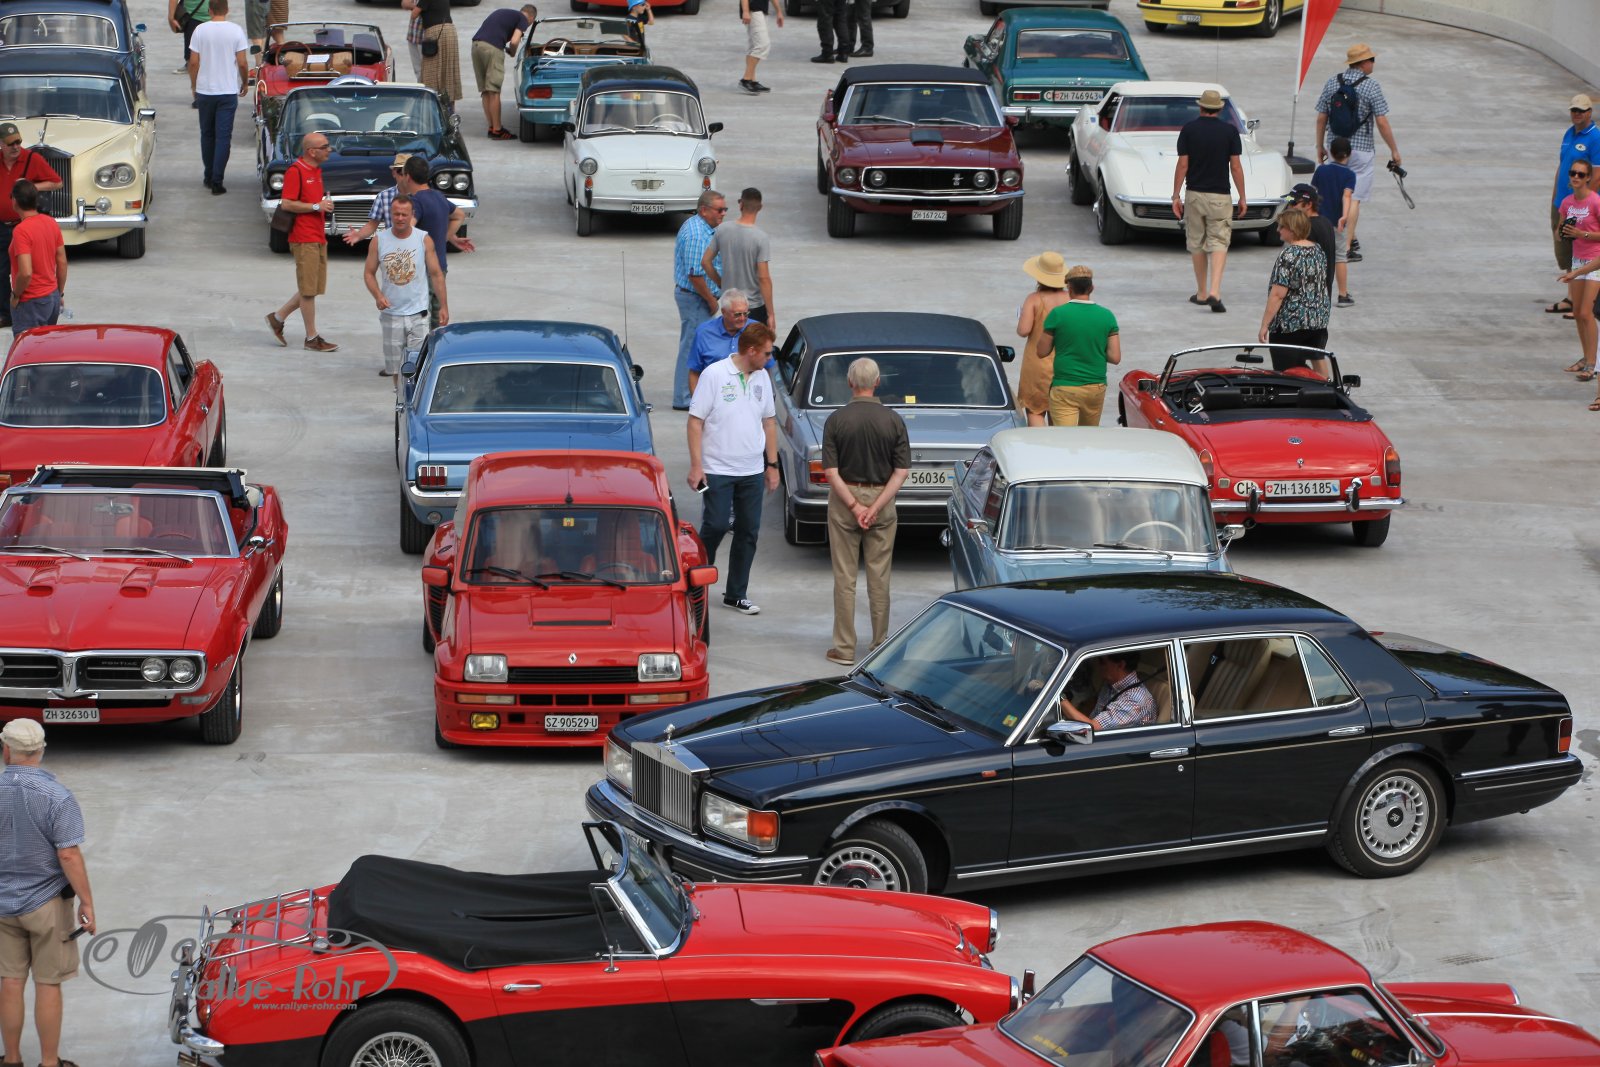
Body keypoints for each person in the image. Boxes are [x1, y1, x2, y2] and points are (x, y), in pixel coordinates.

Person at [0, 720, 96, 1067]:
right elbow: (68, 854)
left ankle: (11, 1059)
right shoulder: (57, 796)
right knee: (48, 983)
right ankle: (49, 1062)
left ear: (6, 750)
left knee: (10, 981)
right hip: (46, 904)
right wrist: (86, 902)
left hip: (2, 904)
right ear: (40, 751)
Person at [686, 323, 779, 616]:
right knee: (714, 526)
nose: (770, 358)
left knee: (748, 531)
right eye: (766, 353)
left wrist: (772, 465)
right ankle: (695, 585)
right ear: (751, 351)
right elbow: (695, 421)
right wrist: (697, 465)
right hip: (717, 468)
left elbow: (769, 422)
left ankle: (736, 593)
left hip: (751, 470)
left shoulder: (763, 377)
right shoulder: (714, 375)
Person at [822, 357, 908, 666]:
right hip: (882, 499)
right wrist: (875, 506)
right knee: (879, 576)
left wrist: (855, 505)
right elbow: (901, 471)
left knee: (845, 577)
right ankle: (880, 644)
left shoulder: (836, 420)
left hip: (845, 499)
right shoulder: (893, 420)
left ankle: (844, 648)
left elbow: (831, 472)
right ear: (877, 382)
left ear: (850, 383)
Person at [1314, 43, 1401, 261]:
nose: (1373, 63)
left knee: (1337, 194)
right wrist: (1394, 150)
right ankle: (1345, 247)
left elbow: (1321, 117)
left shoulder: (1332, 82)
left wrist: (1319, 146)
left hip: (1335, 147)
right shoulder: (1372, 87)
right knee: (1353, 197)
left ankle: (1344, 238)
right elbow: (1382, 122)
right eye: (1372, 60)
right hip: (1361, 150)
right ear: (1363, 63)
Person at [1172, 88, 1246, 313]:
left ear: (1201, 107)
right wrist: (1243, 196)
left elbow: (1183, 165)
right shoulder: (1230, 131)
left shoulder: (1188, 130)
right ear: (1219, 109)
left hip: (1194, 194)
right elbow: (1235, 166)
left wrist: (1175, 195)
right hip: (1220, 196)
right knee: (1219, 241)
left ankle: (1202, 292)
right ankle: (1215, 291)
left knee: (1196, 242)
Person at [265, 133, 339, 352]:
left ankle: (277, 318)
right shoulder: (296, 171)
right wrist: (316, 206)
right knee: (308, 291)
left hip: (317, 236)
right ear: (311, 151)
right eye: (325, 147)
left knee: (312, 288)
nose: (329, 150)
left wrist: (321, 205)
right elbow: (287, 203)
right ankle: (311, 338)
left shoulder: (316, 171)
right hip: (303, 237)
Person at [365, 195, 447, 378]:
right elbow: (369, 273)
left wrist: (443, 306)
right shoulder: (379, 240)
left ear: (412, 214)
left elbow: (436, 274)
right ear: (390, 214)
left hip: (419, 314)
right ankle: (399, 395)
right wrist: (378, 296)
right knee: (396, 370)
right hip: (391, 315)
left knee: (416, 368)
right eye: (396, 214)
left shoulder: (423, 239)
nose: (400, 218)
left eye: (404, 214)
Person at [1036, 264, 1120, 427]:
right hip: (1095, 387)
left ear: (1069, 288)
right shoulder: (1107, 316)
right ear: (1091, 288)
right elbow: (1115, 357)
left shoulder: (1057, 314)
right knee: (1088, 436)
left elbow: (1042, 351)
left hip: (1065, 387)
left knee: (1065, 437)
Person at [399, 154, 473, 330]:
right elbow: (459, 215)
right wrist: (446, 237)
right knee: (437, 320)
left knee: (420, 320)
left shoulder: (415, 201)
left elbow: (408, 229)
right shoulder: (438, 196)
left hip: (422, 271)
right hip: (440, 267)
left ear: (407, 177)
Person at [0, 124, 62, 327]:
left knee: (29, 269)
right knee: (1, 271)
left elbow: (57, 182)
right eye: (10, 144)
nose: (16, 146)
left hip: (24, 225)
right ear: (1, 145)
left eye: (18, 142)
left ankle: (23, 302)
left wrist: (29, 186)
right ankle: (6, 313)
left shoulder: (32, 159)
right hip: (2, 226)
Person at [1257, 207, 1330, 372]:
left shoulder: (1289, 255)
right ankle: (1326, 386)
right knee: (1317, 358)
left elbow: (1278, 295)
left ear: (1292, 229)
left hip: (1291, 323)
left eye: (1281, 226)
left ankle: (1306, 385)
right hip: (1318, 320)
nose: (1278, 230)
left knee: (1288, 370)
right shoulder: (1318, 250)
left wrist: (1264, 325)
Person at [189, 0, 249, 195]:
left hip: (205, 91)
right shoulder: (236, 31)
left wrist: (194, 85)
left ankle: (208, 175)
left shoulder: (200, 30)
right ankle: (217, 180)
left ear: (209, 10)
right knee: (223, 137)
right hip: (227, 92)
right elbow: (242, 63)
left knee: (207, 134)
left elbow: (193, 62)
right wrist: (245, 82)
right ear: (227, 10)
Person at [672, 190, 726, 409]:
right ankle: (683, 398)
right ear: (704, 210)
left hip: (697, 297)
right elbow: (695, 274)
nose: (723, 214)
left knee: (695, 346)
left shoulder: (704, 228)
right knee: (691, 348)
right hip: (696, 299)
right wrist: (711, 301)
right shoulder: (697, 234)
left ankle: (690, 393)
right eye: (719, 210)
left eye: (725, 209)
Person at [1549, 95, 1600, 316]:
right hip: (1563, 202)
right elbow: (1562, 166)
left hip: (1580, 205)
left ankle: (1586, 302)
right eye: (1574, 110)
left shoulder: (1596, 138)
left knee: (1583, 249)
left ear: (1589, 112)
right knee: (1565, 247)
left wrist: (1583, 202)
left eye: (1581, 110)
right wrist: (1556, 197)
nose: (1577, 114)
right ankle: (1572, 298)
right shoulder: (1569, 133)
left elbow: (1597, 175)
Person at [1554, 157, 1600, 381]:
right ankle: (1585, 357)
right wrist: (1563, 232)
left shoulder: (1595, 202)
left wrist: (1583, 234)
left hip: (1595, 260)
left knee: (1585, 312)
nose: (1576, 177)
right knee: (1579, 314)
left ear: (1588, 178)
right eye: (1573, 173)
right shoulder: (1567, 203)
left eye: (1581, 174)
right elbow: (1559, 232)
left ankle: (1593, 363)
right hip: (1577, 260)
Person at [1015, 250, 1073, 427]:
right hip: (1065, 363)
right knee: (1060, 412)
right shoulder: (1071, 299)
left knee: (1035, 410)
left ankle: (1039, 443)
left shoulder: (1034, 299)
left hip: (1037, 363)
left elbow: (1023, 330)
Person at [702, 188, 775, 327]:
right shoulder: (761, 238)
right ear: (760, 207)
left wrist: (721, 283)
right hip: (752, 307)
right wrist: (771, 314)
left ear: (740, 204)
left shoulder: (722, 229)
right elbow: (763, 278)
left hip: (729, 305)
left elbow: (705, 262)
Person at [7, 181, 67, 339]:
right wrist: (59, 294)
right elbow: (62, 261)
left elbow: (26, 273)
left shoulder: (21, 231)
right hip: (52, 298)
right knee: (45, 347)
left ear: (15, 201)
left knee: (27, 348)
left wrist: (16, 295)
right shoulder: (50, 222)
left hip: (31, 302)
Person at [472, 5, 535, 138]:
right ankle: (498, 130)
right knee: (494, 90)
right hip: (492, 49)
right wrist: (512, 52)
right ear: (531, 18)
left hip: (476, 46)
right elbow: (514, 41)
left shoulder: (505, 13)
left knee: (485, 91)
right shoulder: (523, 19)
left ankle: (491, 127)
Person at [1312, 136, 1357, 307]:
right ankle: (1342, 295)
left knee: (1317, 256)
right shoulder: (1349, 175)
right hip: (1336, 223)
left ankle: (1315, 294)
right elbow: (1347, 196)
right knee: (1339, 257)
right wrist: (1344, 216)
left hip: (1318, 221)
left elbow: (1313, 192)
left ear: (1330, 152)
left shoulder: (1321, 170)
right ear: (1349, 154)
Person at [1058, 652, 1154, 730]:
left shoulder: (1134, 700)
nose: (1098, 665)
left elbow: (1092, 728)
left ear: (1120, 665)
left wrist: (1060, 697)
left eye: (1102, 661)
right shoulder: (1111, 683)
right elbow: (1094, 709)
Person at [688, 289, 750, 395]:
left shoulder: (756, 330)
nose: (742, 318)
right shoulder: (704, 333)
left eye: (746, 314)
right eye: (737, 314)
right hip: (713, 396)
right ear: (724, 312)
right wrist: (697, 401)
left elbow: (767, 368)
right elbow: (694, 372)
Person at [342, 153, 412, 242]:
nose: (405, 176)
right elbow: (372, 225)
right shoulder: (383, 196)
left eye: (408, 172)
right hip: (392, 245)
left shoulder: (422, 196)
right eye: (401, 172)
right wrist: (359, 235)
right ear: (394, 173)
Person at [417, 0, 463, 110]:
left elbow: (414, 13)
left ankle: (432, 110)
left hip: (435, 33)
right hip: (450, 32)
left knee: (430, 74)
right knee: (448, 74)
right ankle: (450, 112)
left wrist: (412, 5)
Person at [738, 0, 781, 93]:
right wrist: (745, 11)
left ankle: (752, 81)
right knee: (762, 45)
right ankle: (746, 80)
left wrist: (779, 11)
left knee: (754, 45)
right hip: (753, 10)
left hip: (761, 10)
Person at [169, 0, 210, 76]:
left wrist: (171, 17)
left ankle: (191, 64)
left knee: (192, 50)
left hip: (193, 14)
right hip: (213, 14)